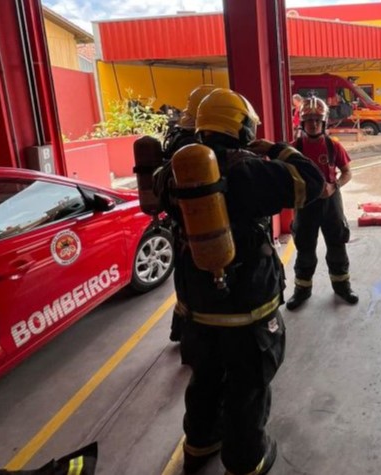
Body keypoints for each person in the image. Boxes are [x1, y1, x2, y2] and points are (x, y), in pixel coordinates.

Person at [154, 88, 325, 475]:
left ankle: (199, 445)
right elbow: (312, 181)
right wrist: (278, 149)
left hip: (197, 306)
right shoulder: (247, 170)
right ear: (243, 126)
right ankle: (247, 461)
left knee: (205, 378)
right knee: (248, 386)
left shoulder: (172, 172)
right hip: (246, 308)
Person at [285, 96, 359, 310]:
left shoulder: (333, 146)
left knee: (337, 245)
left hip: (331, 203)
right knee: (305, 247)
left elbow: (347, 173)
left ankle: (342, 287)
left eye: (318, 120)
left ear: (324, 122)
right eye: (309, 120)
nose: (314, 124)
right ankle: (302, 290)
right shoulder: (294, 148)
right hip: (306, 205)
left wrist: (334, 186)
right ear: (302, 123)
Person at [159, 84, 217, 343]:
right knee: (204, 285)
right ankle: (198, 337)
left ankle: (181, 330)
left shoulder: (176, 141)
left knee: (185, 284)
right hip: (203, 224)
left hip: (181, 227)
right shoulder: (202, 147)